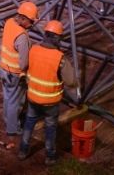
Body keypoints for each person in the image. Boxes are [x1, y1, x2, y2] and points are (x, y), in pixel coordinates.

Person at [19, 20, 75, 166]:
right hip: (50, 102)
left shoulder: (34, 50)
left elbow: (25, 66)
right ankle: (50, 157)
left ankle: (23, 150)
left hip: (32, 97)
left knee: (29, 123)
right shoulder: (59, 58)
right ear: (58, 38)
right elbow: (71, 81)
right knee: (50, 128)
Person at [0, 1, 39, 149]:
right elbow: (23, 64)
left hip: (3, 69)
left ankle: (9, 121)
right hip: (15, 74)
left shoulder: (10, 23)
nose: (32, 24)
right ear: (24, 18)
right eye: (31, 21)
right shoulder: (22, 37)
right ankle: (12, 130)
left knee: (8, 98)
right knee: (14, 102)